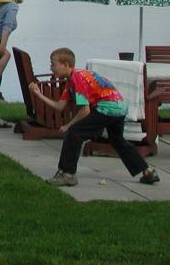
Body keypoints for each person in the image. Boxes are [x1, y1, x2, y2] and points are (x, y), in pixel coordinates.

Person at [28, 47, 160, 187]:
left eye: (53, 64)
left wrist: (68, 125)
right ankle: (147, 171)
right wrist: (38, 94)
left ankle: (67, 174)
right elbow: (60, 106)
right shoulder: (72, 80)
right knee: (117, 140)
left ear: (66, 65)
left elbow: (84, 110)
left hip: (108, 108)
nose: (51, 67)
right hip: (119, 106)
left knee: (74, 133)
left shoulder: (77, 79)